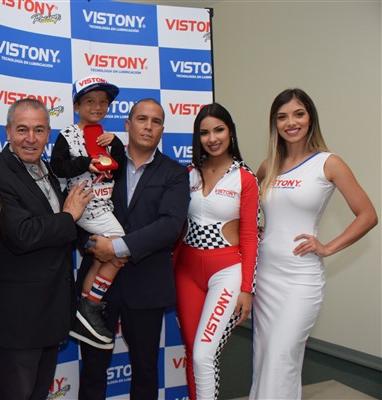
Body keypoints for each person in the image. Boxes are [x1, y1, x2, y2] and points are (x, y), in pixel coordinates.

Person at [249, 88, 378, 399]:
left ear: (310, 118)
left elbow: (368, 215)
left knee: (281, 355)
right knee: (265, 356)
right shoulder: (268, 166)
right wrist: (257, 228)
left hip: (300, 278)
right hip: (265, 275)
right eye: (282, 117)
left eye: (299, 114)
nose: (291, 122)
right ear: (274, 123)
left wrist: (327, 247)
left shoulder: (329, 163)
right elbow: (247, 207)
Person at [77, 98, 190, 399]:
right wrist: (91, 244)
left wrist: (116, 247)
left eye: (156, 121)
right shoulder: (101, 164)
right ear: (128, 125)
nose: (148, 126)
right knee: (92, 371)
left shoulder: (175, 174)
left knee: (145, 371)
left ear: (162, 130)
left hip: (147, 286)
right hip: (98, 286)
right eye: (142, 119)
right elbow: (79, 213)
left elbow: (170, 226)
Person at [0, 98, 93, 400]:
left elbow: (58, 231)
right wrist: (69, 216)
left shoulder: (46, 169)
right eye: (22, 130)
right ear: (8, 132)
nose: (30, 138)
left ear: (48, 134)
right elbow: (22, 234)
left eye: (39, 130)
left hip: (50, 313)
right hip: (19, 320)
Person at [172, 103, 259, 400]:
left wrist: (247, 289)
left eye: (218, 130)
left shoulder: (245, 177)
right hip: (186, 271)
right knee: (192, 352)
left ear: (230, 132)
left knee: (203, 355)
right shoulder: (188, 174)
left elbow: (250, 236)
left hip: (226, 272)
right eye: (204, 132)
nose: (212, 138)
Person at [50, 75, 126, 349]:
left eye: (103, 102)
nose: (97, 107)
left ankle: (87, 305)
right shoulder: (68, 135)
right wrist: (85, 163)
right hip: (83, 205)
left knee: (105, 255)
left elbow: (118, 167)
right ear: (76, 106)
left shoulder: (107, 136)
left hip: (104, 205)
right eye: (90, 101)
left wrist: (116, 145)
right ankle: (90, 305)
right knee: (121, 248)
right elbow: (57, 167)